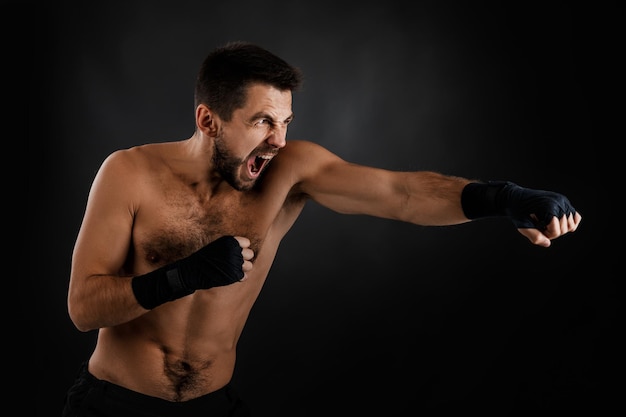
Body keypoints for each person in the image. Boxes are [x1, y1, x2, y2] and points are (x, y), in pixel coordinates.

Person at [62, 40, 582, 416]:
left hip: (212, 404)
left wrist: (503, 197)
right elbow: (84, 308)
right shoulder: (129, 172)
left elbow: (401, 195)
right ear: (208, 120)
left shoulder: (289, 174)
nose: (279, 141)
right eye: (264, 121)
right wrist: (181, 277)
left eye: (286, 122)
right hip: (114, 405)